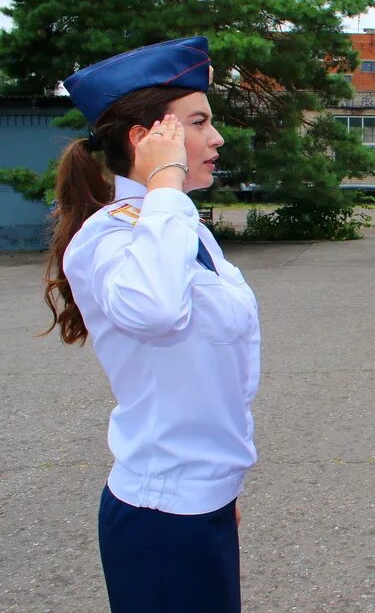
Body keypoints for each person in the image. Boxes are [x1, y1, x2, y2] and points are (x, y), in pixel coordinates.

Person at [43, 36, 259, 612]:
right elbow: (158, 311)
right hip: (160, 517)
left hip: (200, 503)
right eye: (197, 122)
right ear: (147, 138)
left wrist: (219, 486)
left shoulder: (180, 225)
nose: (216, 138)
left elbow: (218, 370)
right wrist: (163, 183)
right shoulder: (109, 237)